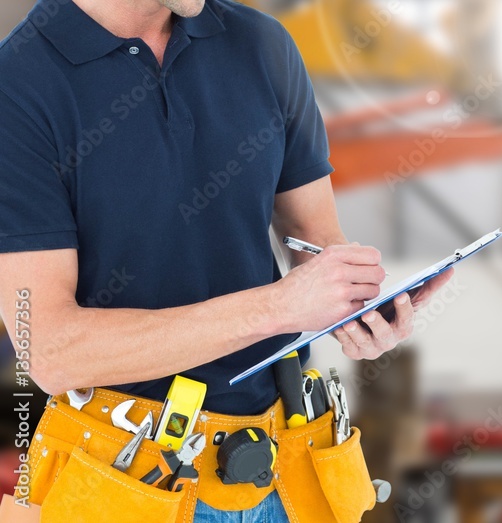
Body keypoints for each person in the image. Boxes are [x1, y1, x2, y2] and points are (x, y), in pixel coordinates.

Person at [0, 0, 452, 520]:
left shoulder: (262, 44)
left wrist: (358, 309)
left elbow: (316, 238)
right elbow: (53, 352)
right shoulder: (17, 85)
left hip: (289, 462)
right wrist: (280, 307)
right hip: (127, 480)